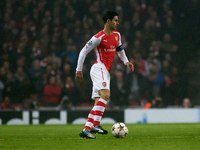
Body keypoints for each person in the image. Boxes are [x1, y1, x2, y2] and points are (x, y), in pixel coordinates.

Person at [75, 10, 134, 139]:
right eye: (115, 20)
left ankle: (90, 127)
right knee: (106, 95)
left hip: (105, 71)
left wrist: (126, 62)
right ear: (108, 21)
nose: (118, 23)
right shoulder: (98, 38)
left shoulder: (117, 35)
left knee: (98, 102)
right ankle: (91, 127)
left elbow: (120, 50)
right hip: (98, 68)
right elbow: (83, 52)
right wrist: (78, 70)